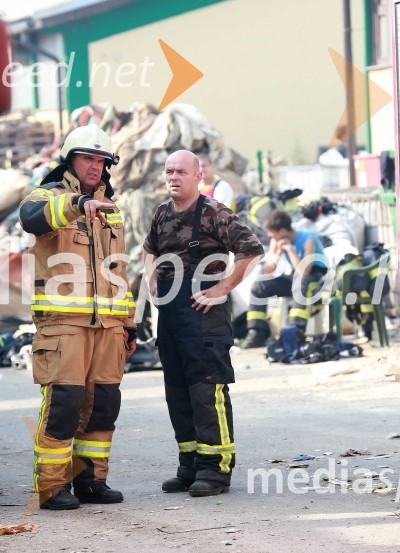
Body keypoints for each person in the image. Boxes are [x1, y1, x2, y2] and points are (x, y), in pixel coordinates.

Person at [19, 124, 137, 510]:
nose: (95, 166)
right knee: (64, 406)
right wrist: (75, 204)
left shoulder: (111, 210)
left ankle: (91, 481)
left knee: (103, 406)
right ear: (70, 160)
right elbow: (31, 217)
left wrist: (130, 324)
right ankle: (53, 486)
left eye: (101, 161)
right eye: (88, 158)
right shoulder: (49, 197)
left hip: (109, 328)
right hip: (63, 326)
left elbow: (118, 271)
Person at [143, 150, 263, 497]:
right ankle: (190, 465)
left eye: (181, 171)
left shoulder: (213, 212)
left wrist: (223, 287)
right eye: (169, 171)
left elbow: (251, 250)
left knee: (206, 391)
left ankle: (215, 469)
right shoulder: (162, 213)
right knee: (178, 392)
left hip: (205, 320)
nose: (174, 177)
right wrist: (152, 277)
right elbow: (149, 249)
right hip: (171, 318)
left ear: (198, 176)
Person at [241, 209, 329, 349]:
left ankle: (296, 331)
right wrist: (276, 253)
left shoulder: (308, 239)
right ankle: (257, 333)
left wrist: (290, 250)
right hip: (297, 276)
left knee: (301, 281)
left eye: (271, 232)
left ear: (281, 231)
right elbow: (268, 271)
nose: (269, 235)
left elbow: (305, 271)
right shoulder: (275, 241)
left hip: (316, 277)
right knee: (260, 285)